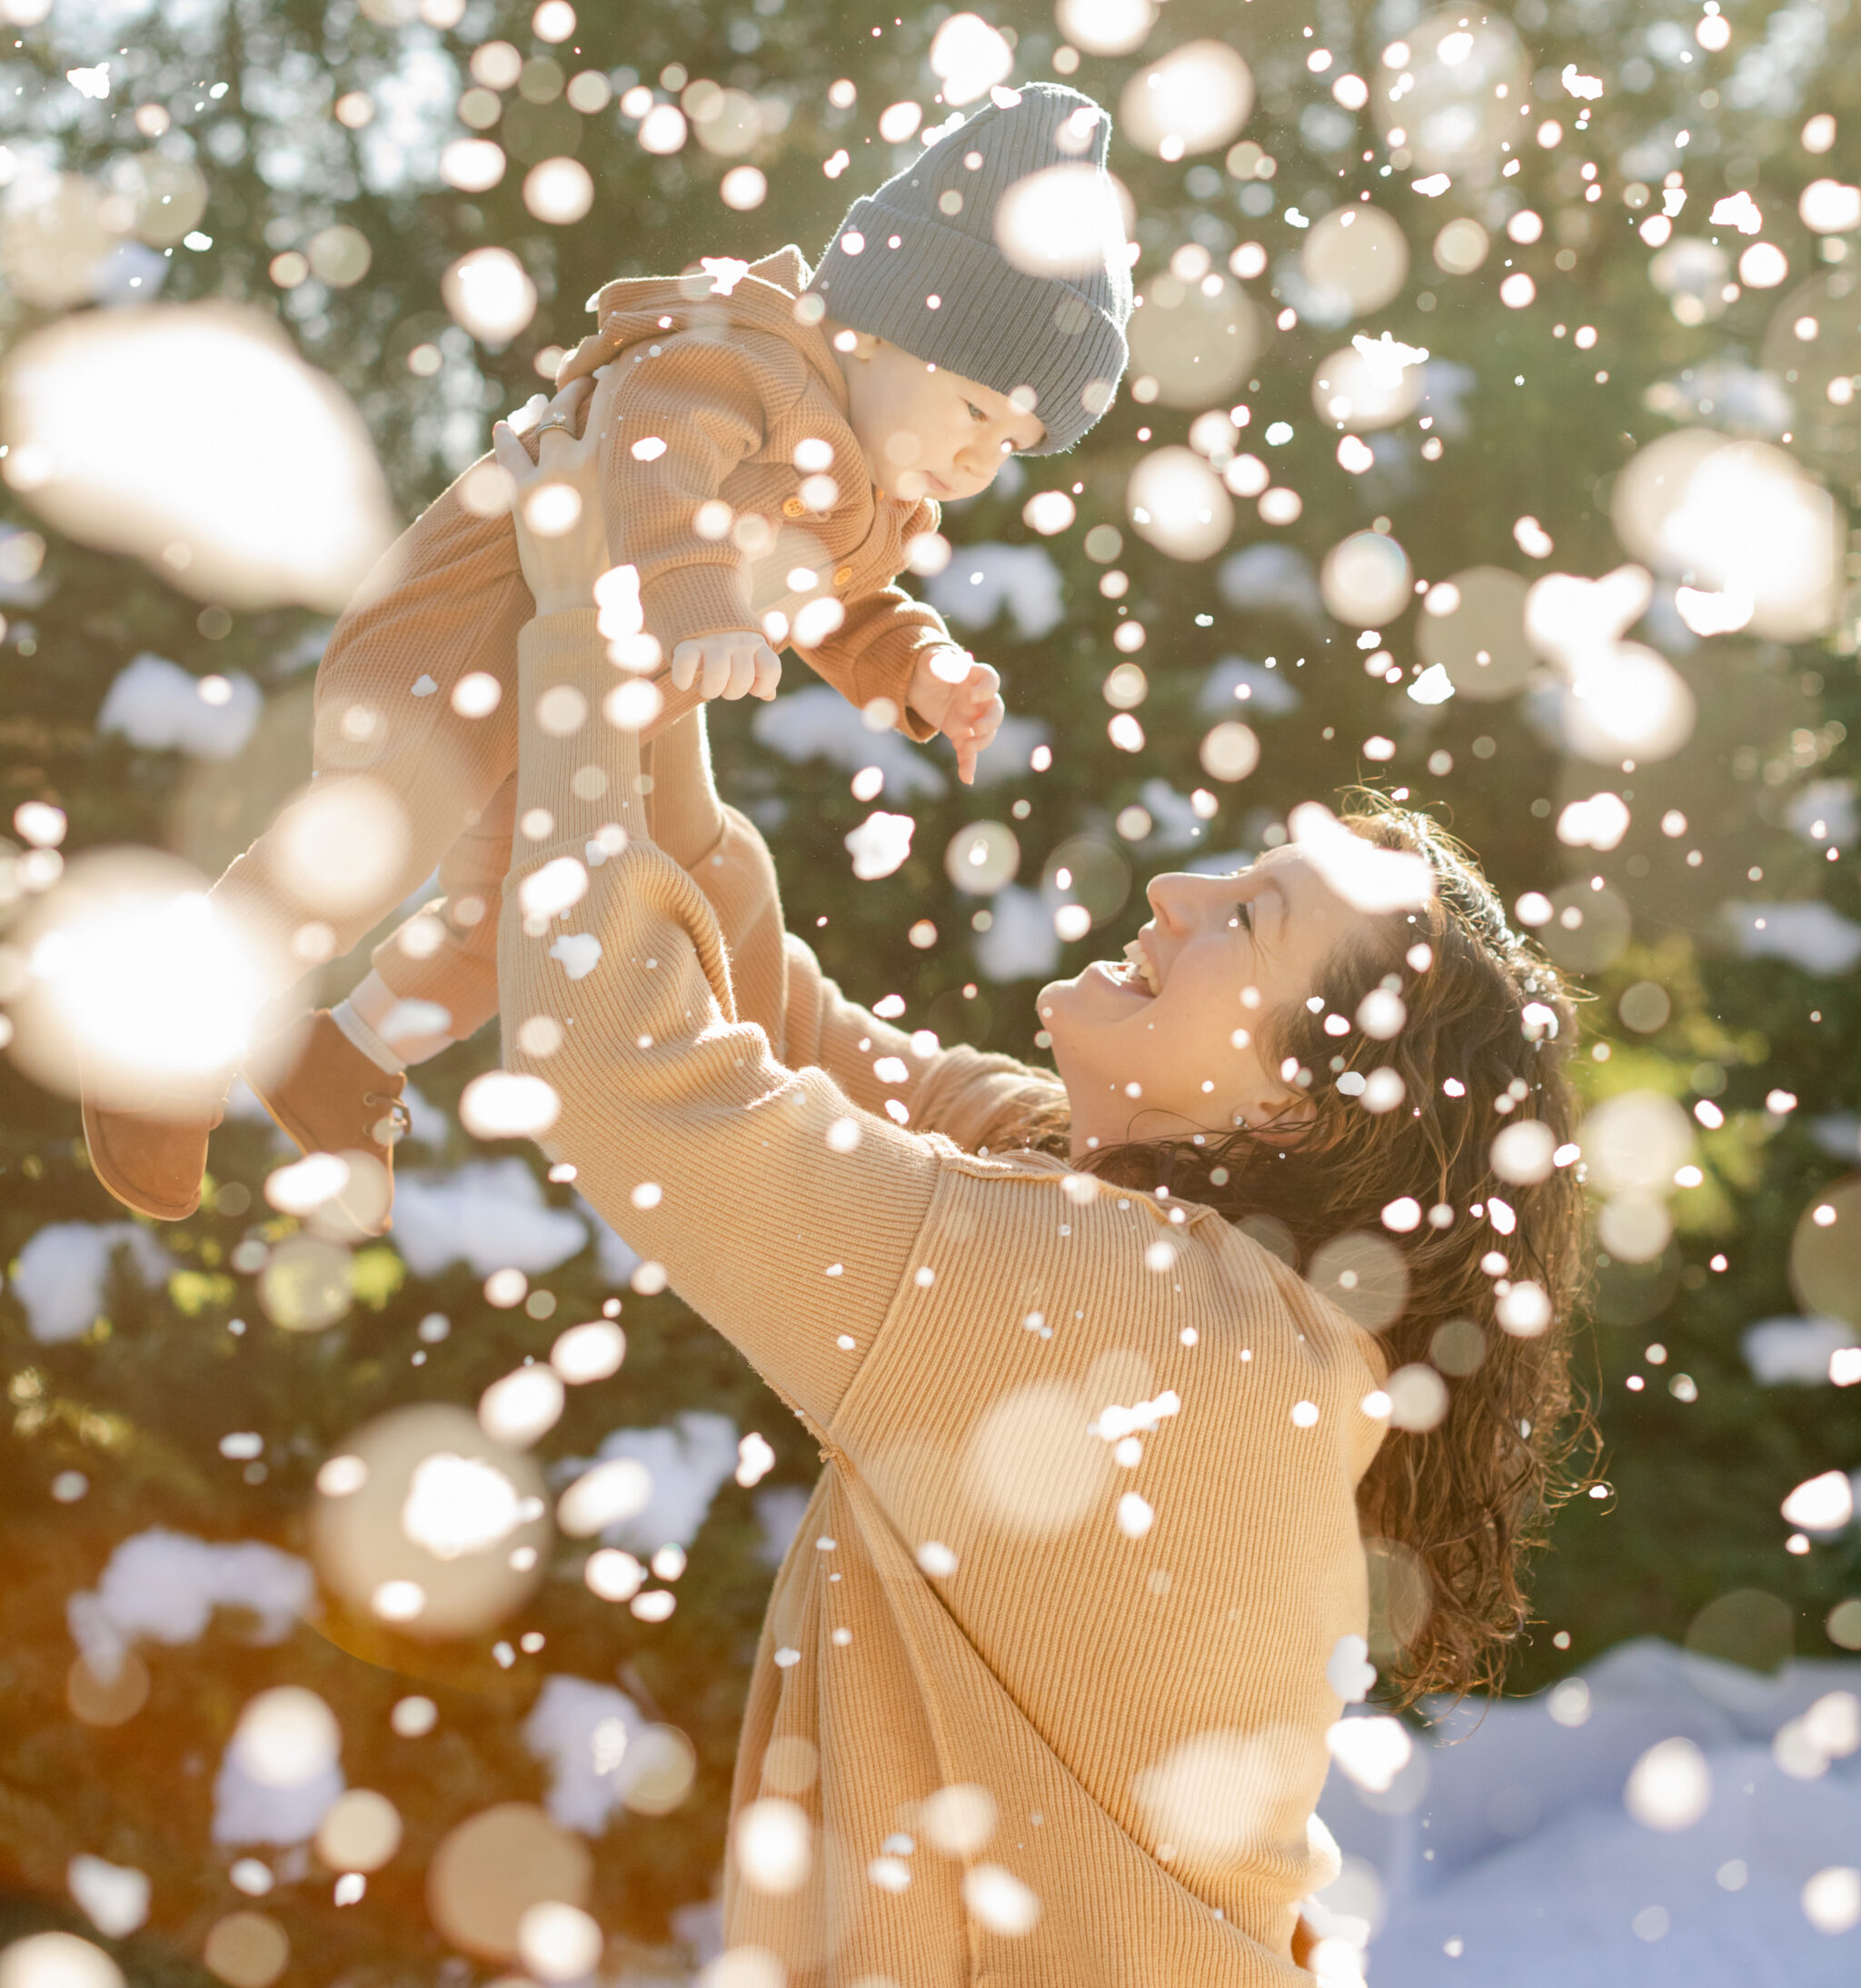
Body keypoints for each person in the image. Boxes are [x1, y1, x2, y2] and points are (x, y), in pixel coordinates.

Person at [486, 396, 1590, 1983]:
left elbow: (624, 1063)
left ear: (1292, 1104)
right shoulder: (1147, 1248)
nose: (1173, 890)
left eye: (1247, 919)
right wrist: (659, 583)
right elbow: (759, 1010)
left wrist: (586, 623)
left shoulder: (1131, 1316)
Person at [81, 81, 1132, 1228]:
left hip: (573, 688)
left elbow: (837, 598)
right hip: (472, 628)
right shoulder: (743, 361)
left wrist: (914, 665)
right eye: (976, 412)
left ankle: (348, 1057)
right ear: (881, 327)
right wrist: (698, 603)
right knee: (378, 832)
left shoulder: (867, 491)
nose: (982, 461)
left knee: (520, 911)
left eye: (1016, 444)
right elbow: (649, 463)